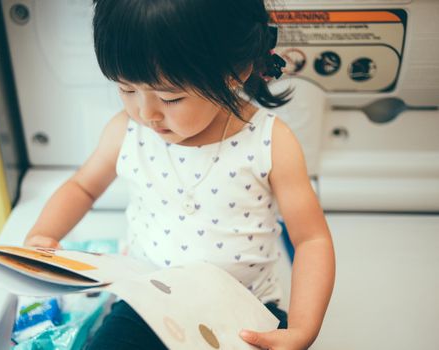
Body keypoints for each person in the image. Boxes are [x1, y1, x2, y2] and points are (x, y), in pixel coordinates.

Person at [24, 0, 335, 348]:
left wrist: (303, 328)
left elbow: (311, 240)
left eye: (170, 98)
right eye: (127, 89)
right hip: (147, 303)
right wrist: (44, 234)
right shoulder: (125, 131)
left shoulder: (270, 141)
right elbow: (82, 187)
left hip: (246, 309)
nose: (146, 113)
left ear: (235, 71)